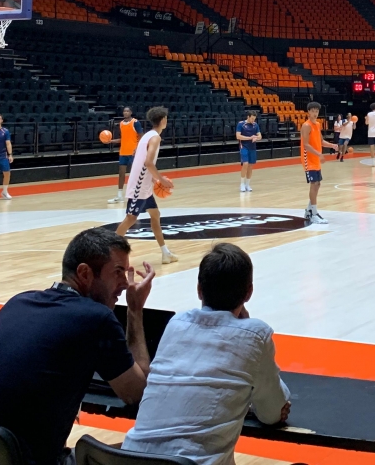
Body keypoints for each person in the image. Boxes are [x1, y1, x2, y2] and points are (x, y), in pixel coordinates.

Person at [0, 228, 155, 465]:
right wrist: (134, 309)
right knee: (147, 454)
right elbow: (136, 392)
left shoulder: (18, 302)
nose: (125, 283)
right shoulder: (95, 318)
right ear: (85, 273)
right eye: (118, 272)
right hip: (18, 461)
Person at [123, 243, 290, 465]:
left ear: (199, 290)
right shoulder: (256, 335)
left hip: (128, 459)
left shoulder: (176, 323)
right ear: (249, 292)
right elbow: (271, 414)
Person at [116, 107, 178, 264]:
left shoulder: (147, 136)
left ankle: (165, 253)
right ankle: (108, 252)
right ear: (163, 120)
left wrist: (152, 180)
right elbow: (148, 162)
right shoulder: (155, 138)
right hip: (139, 186)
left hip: (144, 185)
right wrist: (161, 179)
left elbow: (139, 160)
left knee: (155, 215)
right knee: (130, 218)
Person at [301, 101, 337, 224]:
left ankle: (309, 210)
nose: (315, 113)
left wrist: (332, 145)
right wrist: (319, 154)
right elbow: (306, 145)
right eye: (313, 111)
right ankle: (314, 213)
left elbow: (321, 141)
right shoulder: (306, 126)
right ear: (308, 112)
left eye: (317, 111)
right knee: (314, 183)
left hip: (316, 158)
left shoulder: (317, 124)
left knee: (318, 184)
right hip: (308, 159)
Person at [110, 108, 142, 204]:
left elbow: (141, 136)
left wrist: (137, 148)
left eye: (127, 111)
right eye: (124, 111)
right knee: (121, 173)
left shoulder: (135, 123)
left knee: (134, 174)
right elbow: (123, 139)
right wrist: (111, 141)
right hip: (123, 152)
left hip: (133, 152)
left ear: (131, 112)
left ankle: (136, 195)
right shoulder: (121, 123)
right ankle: (119, 196)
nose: (126, 112)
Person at [236, 111, 260, 193]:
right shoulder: (241, 124)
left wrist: (256, 137)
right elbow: (238, 136)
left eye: (254, 119)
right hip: (244, 146)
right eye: (252, 118)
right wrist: (250, 138)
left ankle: (247, 184)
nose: (253, 120)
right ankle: (242, 184)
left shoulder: (255, 125)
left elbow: (260, 136)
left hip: (252, 147)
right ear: (248, 117)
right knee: (245, 164)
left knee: (250, 165)